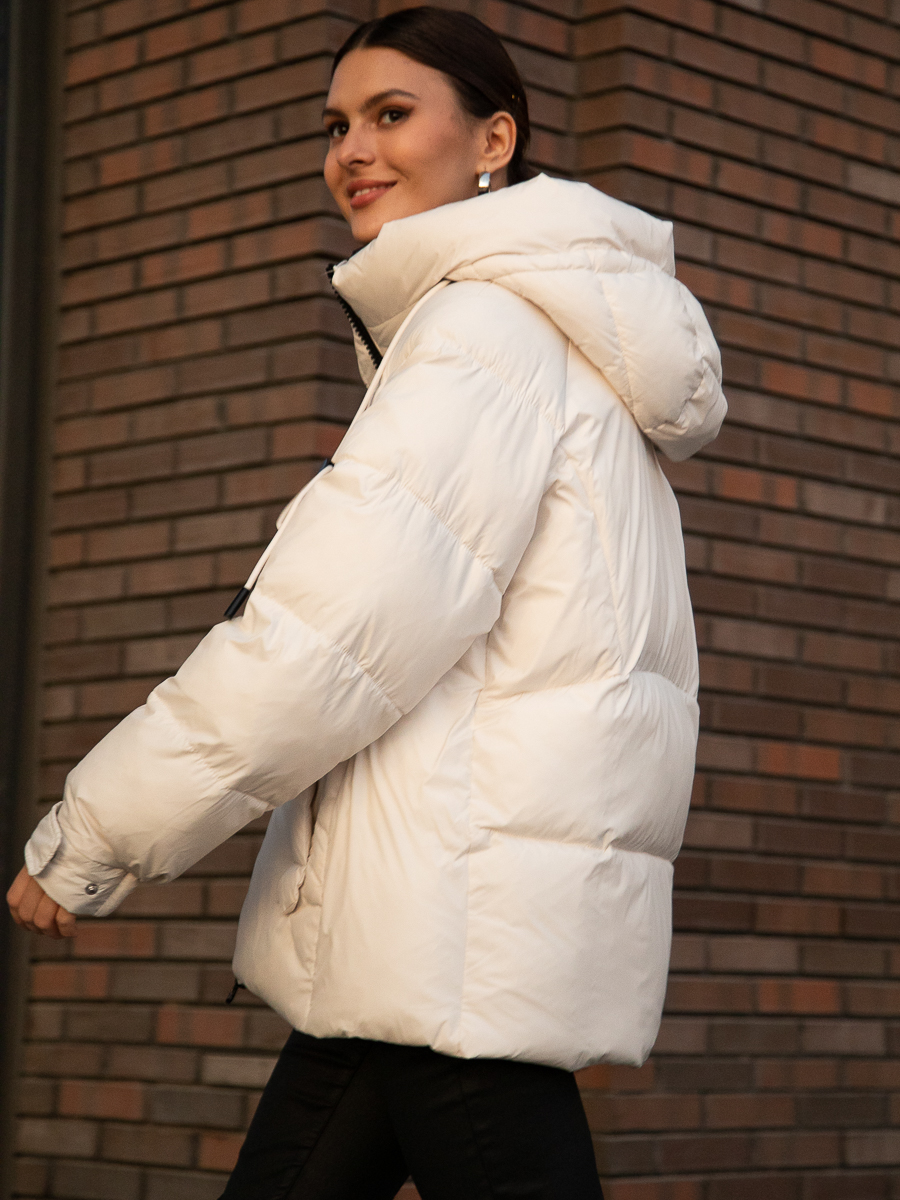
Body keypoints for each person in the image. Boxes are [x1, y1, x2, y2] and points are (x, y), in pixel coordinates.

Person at [8, 8, 726, 1198]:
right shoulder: (547, 340)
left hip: (447, 916)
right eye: (336, 124)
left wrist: (99, 829)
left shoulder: (482, 333)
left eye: (391, 115)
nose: (351, 149)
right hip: (429, 915)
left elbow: (326, 636)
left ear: (494, 138)